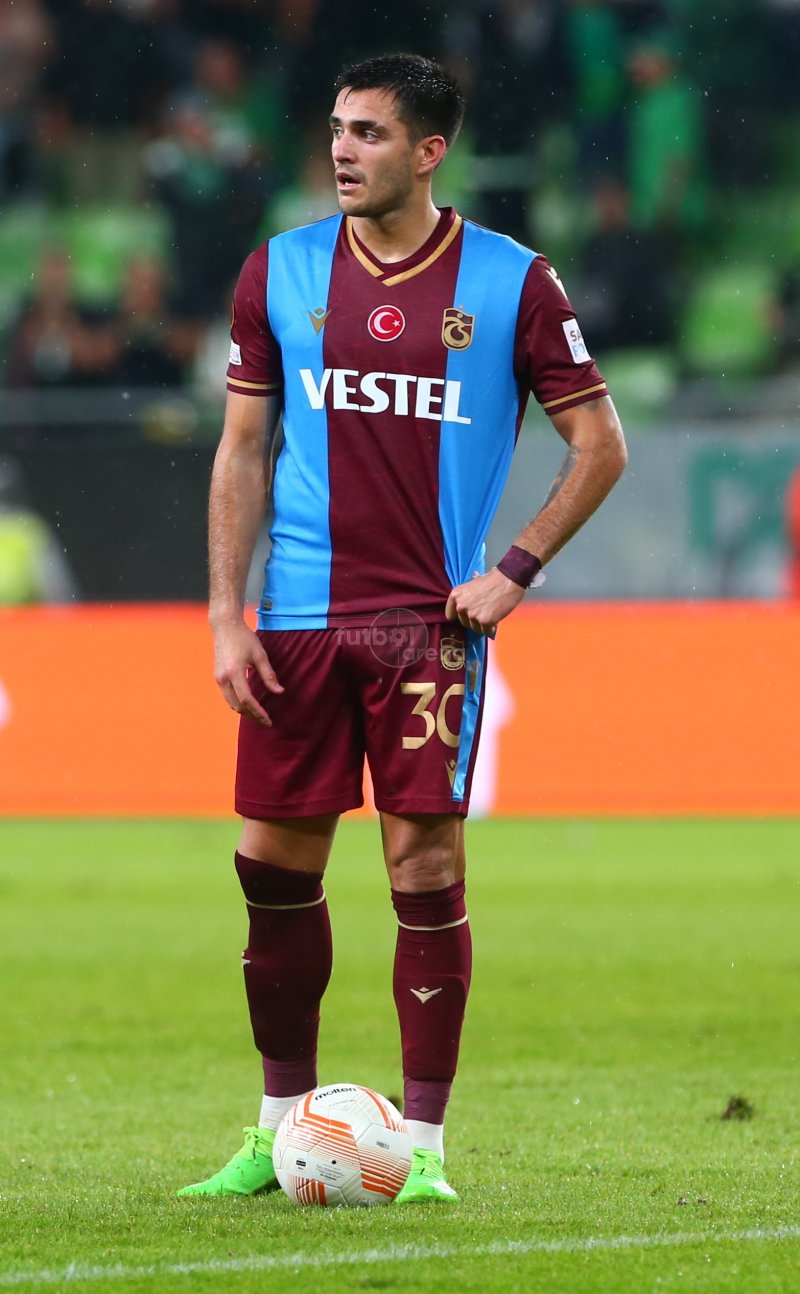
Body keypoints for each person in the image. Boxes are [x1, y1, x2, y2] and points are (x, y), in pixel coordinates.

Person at [178, 52, 627, 1205]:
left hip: (424, 627)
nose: (342, 149)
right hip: (295, 619)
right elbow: (242, 449)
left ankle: (419, 1146)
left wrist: (514, 570)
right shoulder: (279, 269)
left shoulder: (513, 281)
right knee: (269, 868)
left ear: (429, 152)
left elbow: (598, 445)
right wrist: (225, 613)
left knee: (421, 865)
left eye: (369, 133)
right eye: (336, 128)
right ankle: (274, 1130)